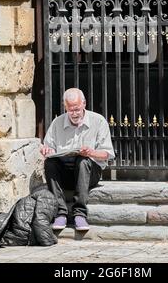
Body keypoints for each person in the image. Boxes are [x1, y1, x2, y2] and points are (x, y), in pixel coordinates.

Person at [41, 88, 115, 231]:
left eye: (77, 109)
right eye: (70, 110)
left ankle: (79, 214)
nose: (74, 114)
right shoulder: (57, 123)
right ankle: (60, 212)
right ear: (65, 107)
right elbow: (48, 147)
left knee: (83, 160)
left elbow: (107, 154)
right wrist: (46, 150)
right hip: (65, 173)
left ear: (84, 104)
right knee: (50, 163)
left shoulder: (98, 121)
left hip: (88, 172)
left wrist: (91, 152)